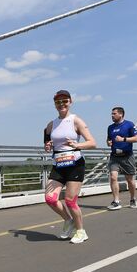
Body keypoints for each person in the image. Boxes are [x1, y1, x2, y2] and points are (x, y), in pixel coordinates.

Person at [43, 90, 96, 244]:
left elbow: (92, 143)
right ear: (55, 105)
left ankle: (81, 231)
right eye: (58, 102)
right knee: (50, 199)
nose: (62, 104)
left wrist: (77, 144)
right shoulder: (51, 124)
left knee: (70, 201)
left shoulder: (76, 121)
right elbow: (47, 144)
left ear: (70, 102)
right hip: (59, 165)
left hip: (75, 164)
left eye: (65, 101)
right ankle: (68, 220)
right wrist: (47, 145)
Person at [106, 107, 137, 210]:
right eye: (111, 114)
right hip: (114, 157)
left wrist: (123, 139)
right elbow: (108, 139)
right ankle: (116, 201)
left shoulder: (129, 124)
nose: (112, 115)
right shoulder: (110, 127)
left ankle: (133, 198)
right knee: (113, 177)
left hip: (127, 156)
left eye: (114, 114)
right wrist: (108, 142)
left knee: (129, 180)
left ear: (121, 114)